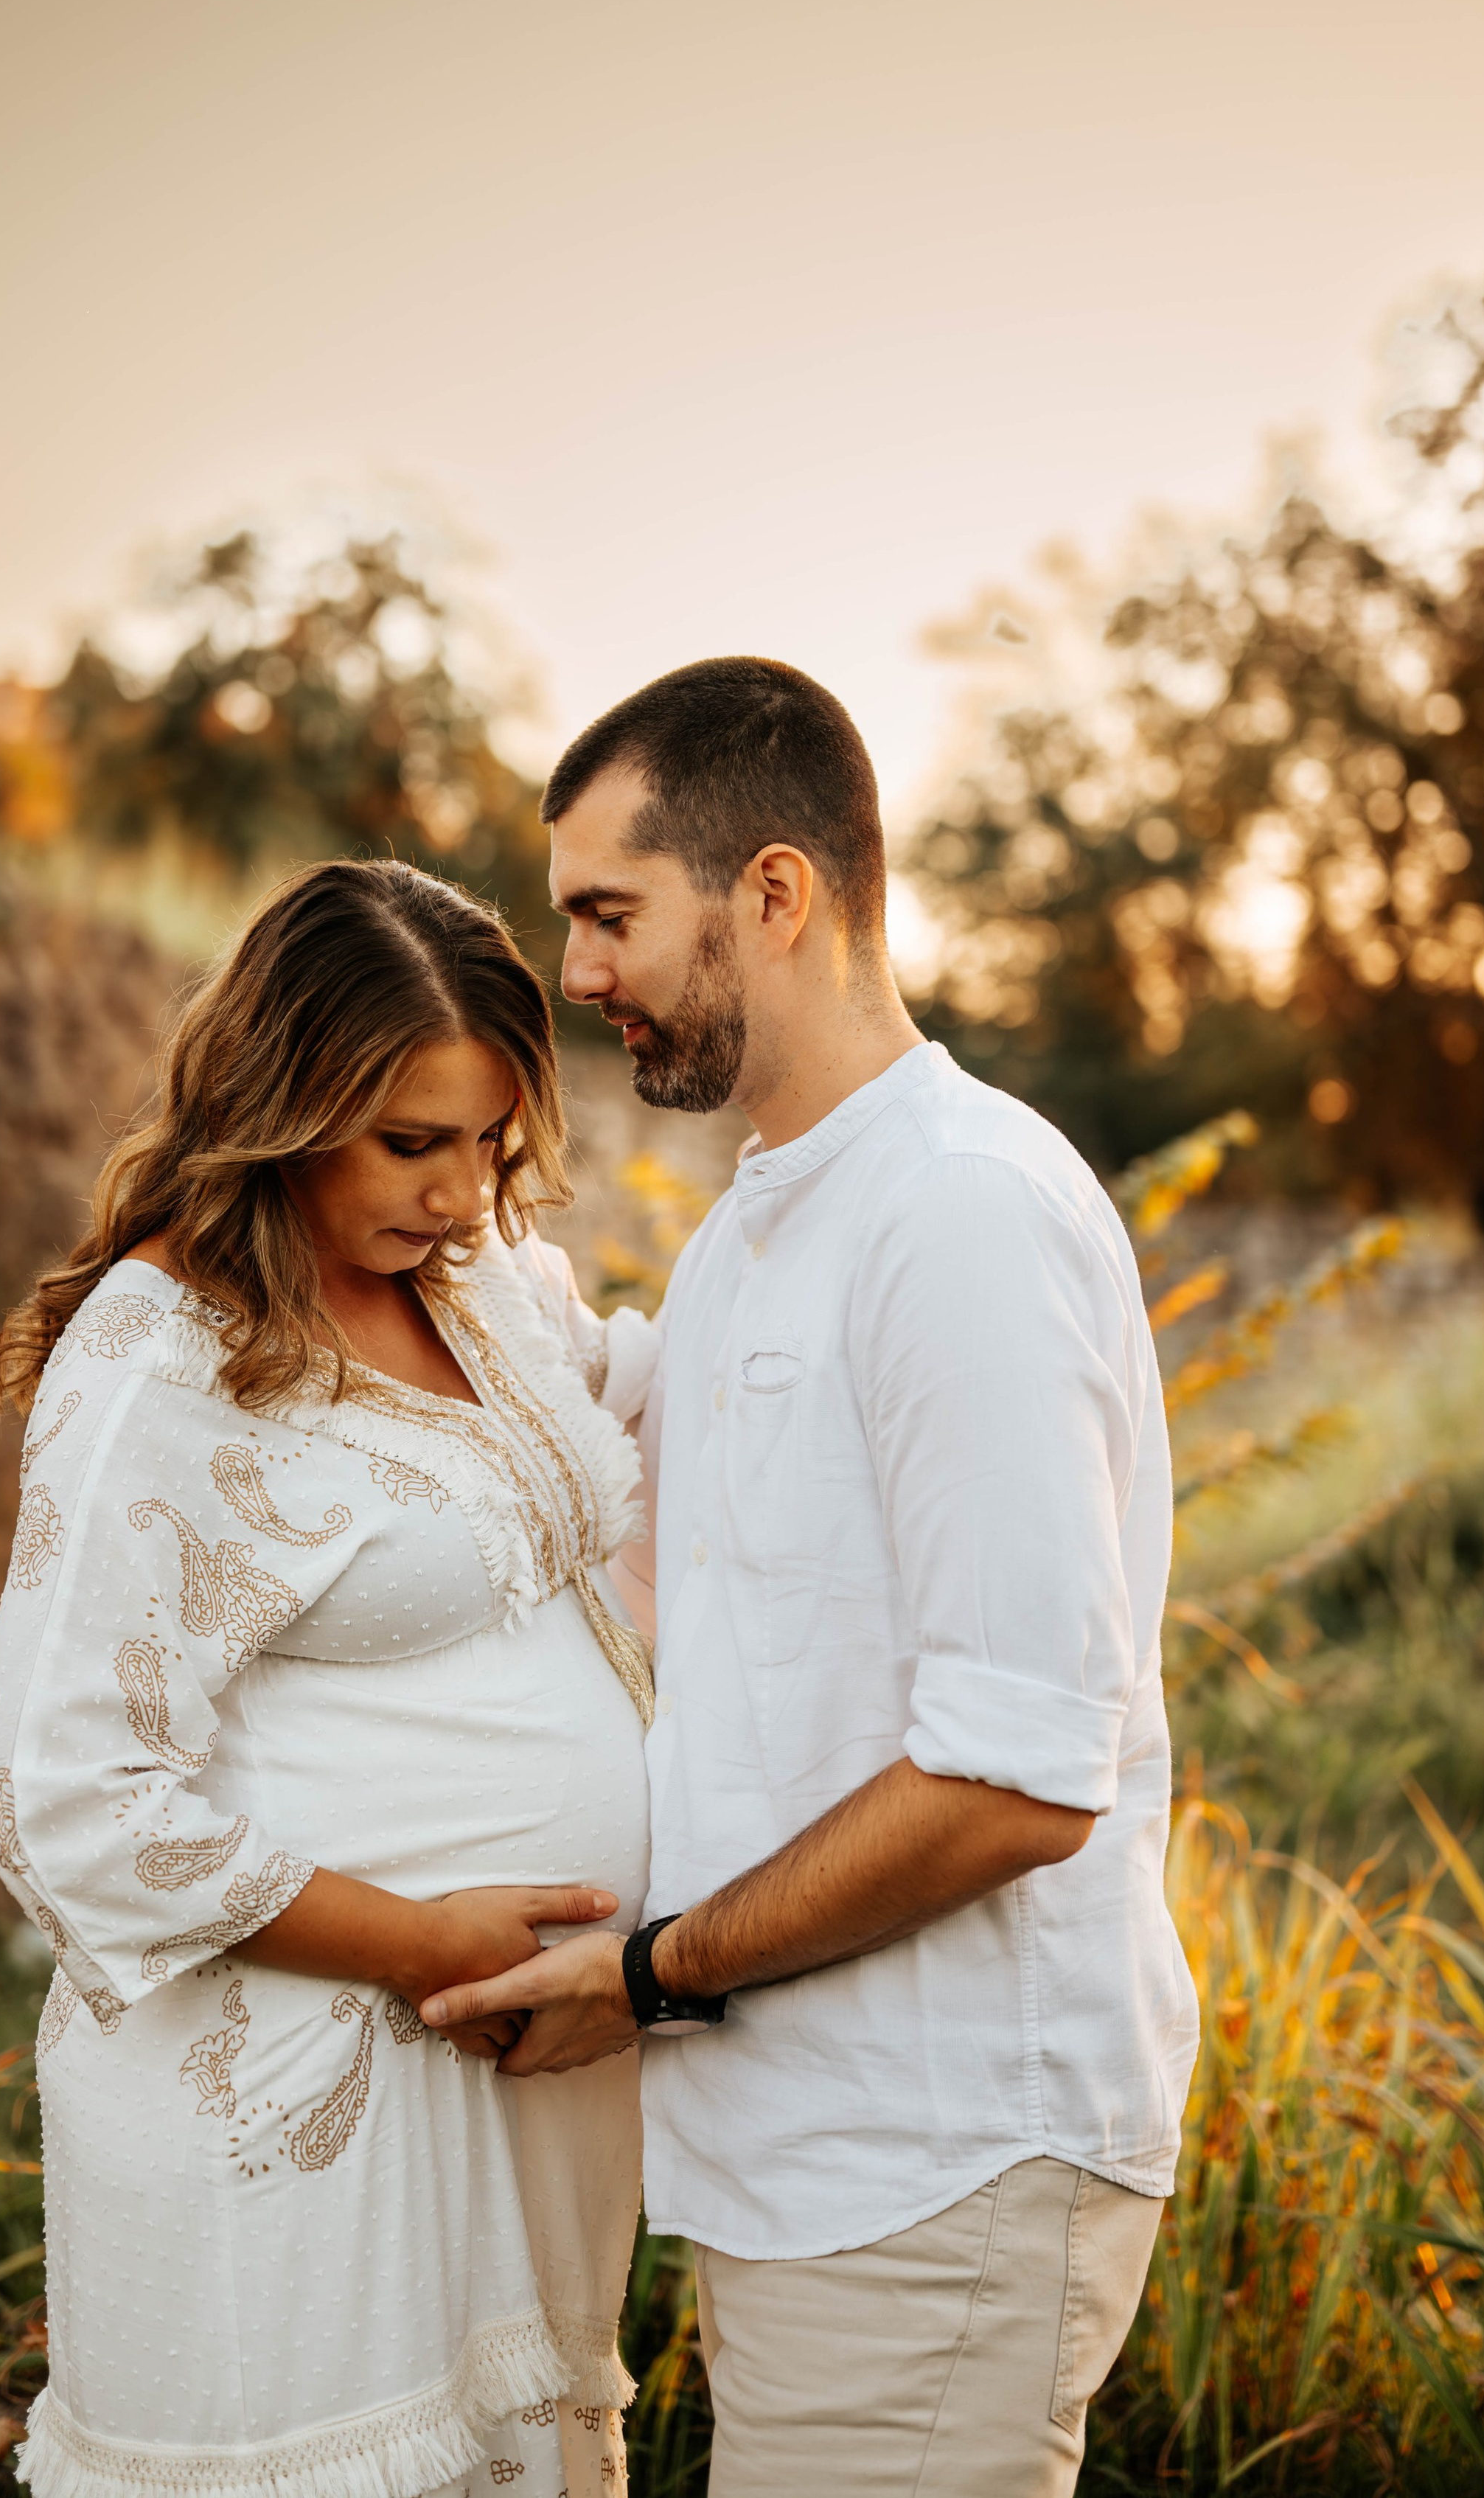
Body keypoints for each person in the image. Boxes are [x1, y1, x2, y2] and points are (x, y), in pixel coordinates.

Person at [425, 658, 1200, 2496]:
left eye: (609, 914)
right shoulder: (765, 1223)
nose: (582, 972)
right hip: (807, 2162)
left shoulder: (957, 1210)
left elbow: (1015, 1778)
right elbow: (625, 1475)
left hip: (936, 2163)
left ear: (773, 892)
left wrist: (654, 1971)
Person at [0, 858, 659, 2498]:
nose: (460, 1186)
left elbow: (645, 1389)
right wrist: (425, 1942)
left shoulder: (481, 1277)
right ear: (276, 1107)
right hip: (299, 2112)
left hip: (525, 2089)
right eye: (409, 1142)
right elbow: (68, 1799)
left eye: (492, 1138)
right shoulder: (164, 1358)